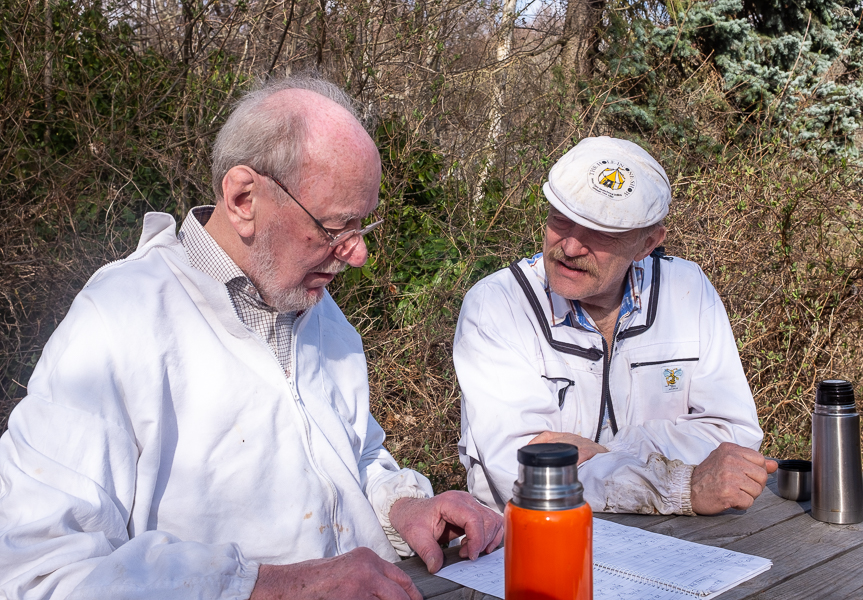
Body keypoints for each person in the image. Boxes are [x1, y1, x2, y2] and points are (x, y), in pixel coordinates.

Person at [0, 76, 502, 600]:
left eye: (363, 228)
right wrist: (270, 586)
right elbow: (36, 568)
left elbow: (352, 456)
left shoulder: (318, 312)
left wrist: (403, 506)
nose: (358, 255)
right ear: (243, 198)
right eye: (335, 228)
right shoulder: (118, 322)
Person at [454, 136, 777, 516]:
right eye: (561, 219)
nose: (570, 247)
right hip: (531, 543)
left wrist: (615, 451)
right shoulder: (498, 305)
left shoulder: (687, 291)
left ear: (647, 243)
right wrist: (674, 484)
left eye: (602, 233)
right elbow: (524, 474)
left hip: (676, 541)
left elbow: (734, 436)